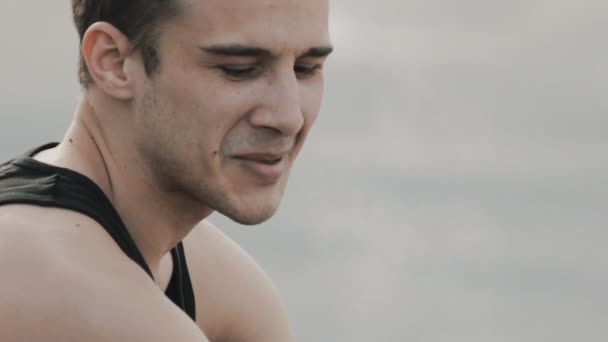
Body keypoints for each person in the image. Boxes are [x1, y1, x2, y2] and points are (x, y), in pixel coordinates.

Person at [0, 0, 333, 340]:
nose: (289, 117)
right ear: (112, 62)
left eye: (305, 68)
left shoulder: (225, 284)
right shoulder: (55, 285)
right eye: (239, 69)